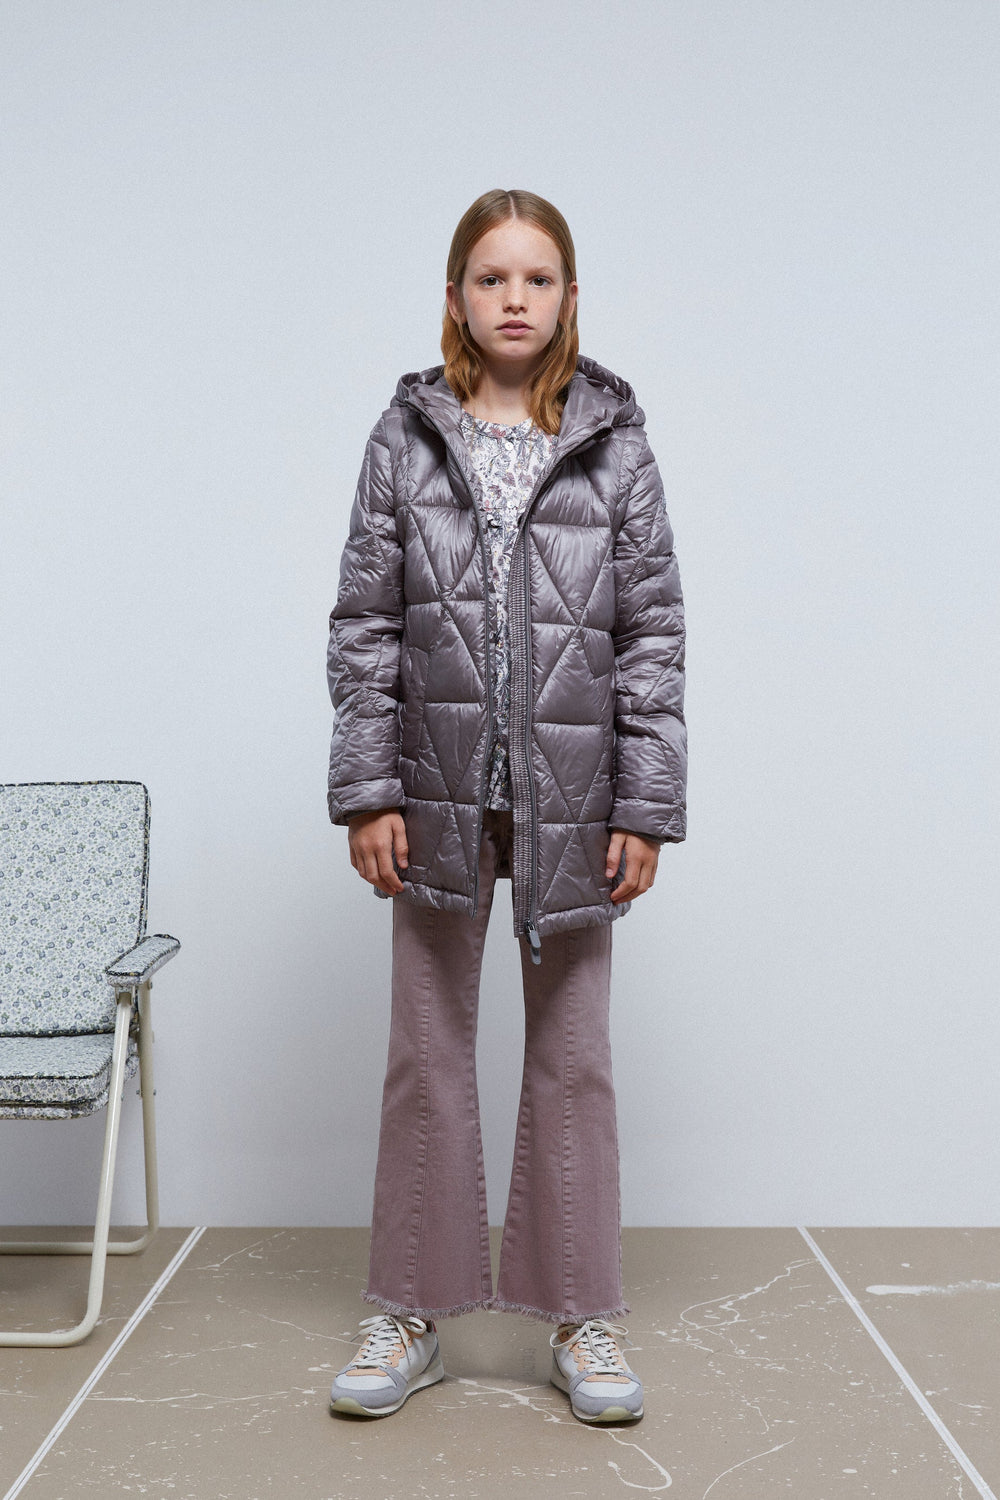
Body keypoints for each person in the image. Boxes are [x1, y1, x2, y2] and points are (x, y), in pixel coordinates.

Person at [325, 188, 686, 1424]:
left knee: (573, 1060)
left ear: (569, 297)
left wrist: (643, 803)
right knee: (425, 1054)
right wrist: (368, 788)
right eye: (491, 278)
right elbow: (365, 624)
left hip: (575, 804)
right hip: (432, 794)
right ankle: (409, 1313)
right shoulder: (403, 438)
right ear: (456, 297)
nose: (514, 298)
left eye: (537, 278)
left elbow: (652, 636)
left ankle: (581, 1319)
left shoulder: (615, 444)